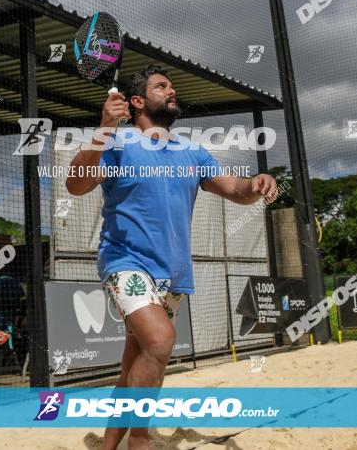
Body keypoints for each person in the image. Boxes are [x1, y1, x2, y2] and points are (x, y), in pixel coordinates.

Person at [66, 65, 278, 450]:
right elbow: (76, 184)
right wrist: (101, 130)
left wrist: (257, 184)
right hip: (125, 261)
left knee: (137, 363)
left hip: (172, 272)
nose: (171, 90)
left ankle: (110, 445)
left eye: (172, 86)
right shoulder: (117, 143)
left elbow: (235, 189)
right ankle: (140, 441)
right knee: (162, 342)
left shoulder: (191, 152)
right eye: (161, 86)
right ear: (137, 100)